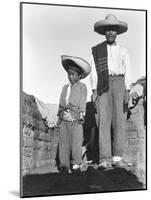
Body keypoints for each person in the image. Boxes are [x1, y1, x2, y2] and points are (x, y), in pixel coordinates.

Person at [90, 14, 132, 169]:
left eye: (113, 29)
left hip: (120, 83)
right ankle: (104, 158)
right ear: (104, 32)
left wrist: (127, 89)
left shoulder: (123, 51)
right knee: (104, 121)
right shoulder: (97, 51)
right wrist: (94, 89)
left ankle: (117, 156)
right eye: (108, 29)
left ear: (117, 32)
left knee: (119, 121)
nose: (111, 32)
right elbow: (94, 71)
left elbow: (128, 70)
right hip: (103, 84)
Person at [57, 55, 91, 173]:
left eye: (73, 74)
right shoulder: (65, 88)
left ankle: (76, 162)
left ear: (79, 76)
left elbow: (82, 101)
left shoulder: (82, 87)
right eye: (69, 74)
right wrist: (61, 113)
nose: (70, 77)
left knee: (76, 142)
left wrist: (81, 114)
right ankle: (64, 165)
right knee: (64, 143)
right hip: (65, 119)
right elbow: (61, 102)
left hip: (76, 118)